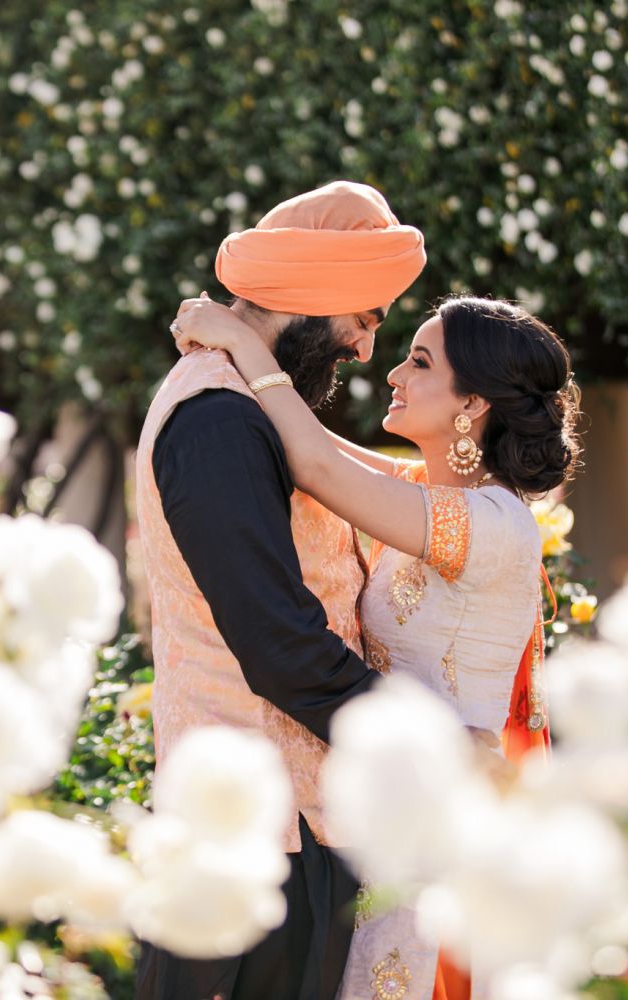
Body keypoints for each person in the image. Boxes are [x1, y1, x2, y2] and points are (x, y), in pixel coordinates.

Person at [170, 292, 581, 1000]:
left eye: (419, 362)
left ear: (472, 404)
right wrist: (236, 350)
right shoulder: (430, 494)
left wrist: (241, 342)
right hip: (387, 826)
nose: (392, 373)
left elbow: (317, 470)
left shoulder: (494, 526)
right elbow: (317, 449)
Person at [134, 181, 426, 1000]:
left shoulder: (245, 402)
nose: (367, 350)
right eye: (365, 319)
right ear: (313, 297)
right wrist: (424, 745)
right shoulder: (218, 420)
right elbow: (279, 645)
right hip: (256, 844)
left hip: (277, 830)